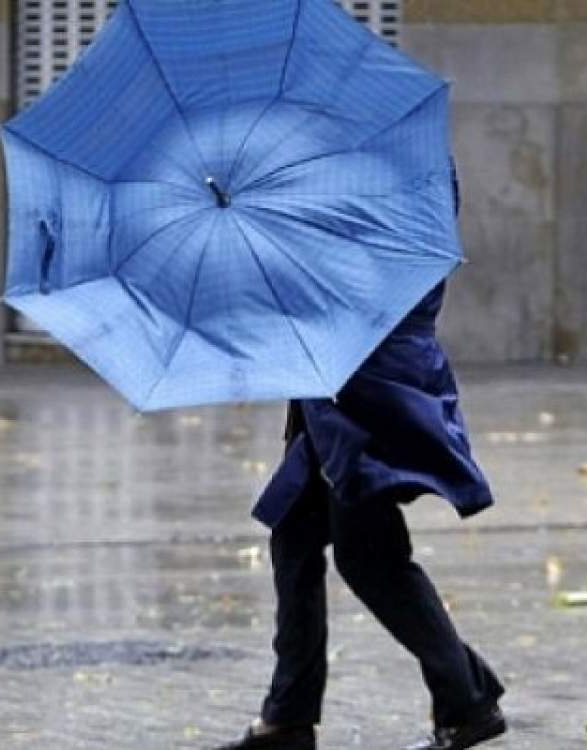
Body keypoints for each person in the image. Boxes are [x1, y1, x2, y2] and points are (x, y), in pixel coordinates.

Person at [213, 168, 504, 750]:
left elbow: (369, 276)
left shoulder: (396, 172)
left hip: (365, 390)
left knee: (370, 559)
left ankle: (467, 701)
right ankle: (289, 717)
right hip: (342, 386)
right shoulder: (357, 164)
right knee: (296, 535)